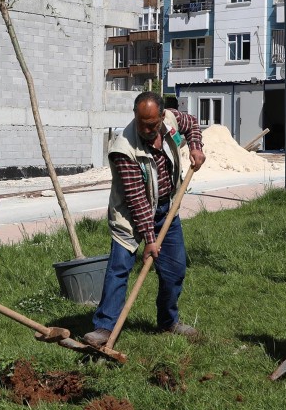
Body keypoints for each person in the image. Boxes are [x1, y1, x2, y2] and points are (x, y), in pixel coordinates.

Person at [84, 91, 205, 347]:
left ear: (162, 116)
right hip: (130, 215)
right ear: (135, 116)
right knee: (119, 269)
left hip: (166, 210)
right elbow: (137, 200)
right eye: (141, 123)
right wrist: (150, 241)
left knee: (174, 270)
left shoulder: (171, 120)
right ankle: (104, 328)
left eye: (152, 124)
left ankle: (168, 321)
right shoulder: (123, 148)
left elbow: (192, 123)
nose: (147, 129)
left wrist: (195, 147)